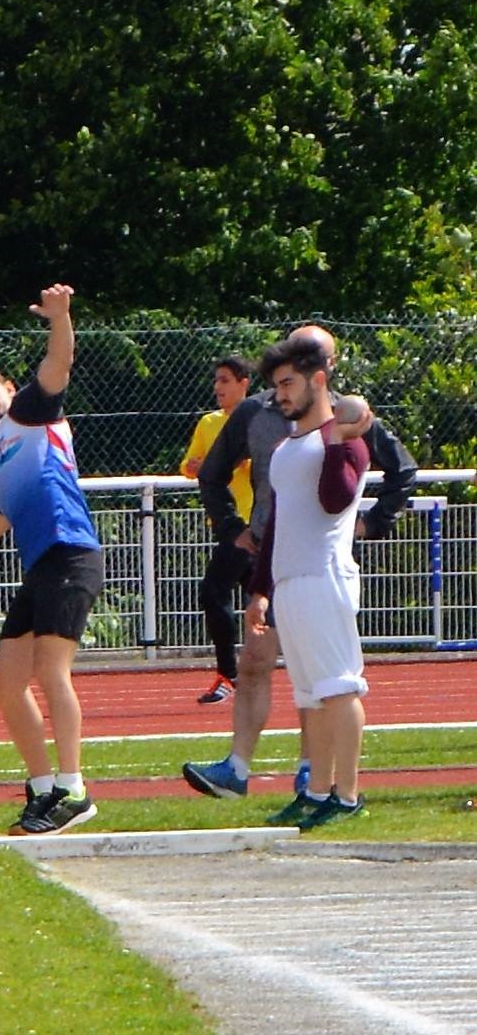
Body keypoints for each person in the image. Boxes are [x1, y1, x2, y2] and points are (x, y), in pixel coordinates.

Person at [182, 324, 417, 800]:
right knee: (270, 668)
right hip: (276, 561)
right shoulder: (263, 419)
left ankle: (324, 781)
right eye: (282, 378)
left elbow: (387, 476)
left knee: (327, 682)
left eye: (311, 363)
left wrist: (371, 522)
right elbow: (222, 479)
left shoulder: (347, 421)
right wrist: (235, 535)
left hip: (320, 567)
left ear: (325, 371)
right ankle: (244, 771)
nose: (283, 389)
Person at [0, 283, 103, 836]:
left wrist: (60, 317)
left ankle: (73, 789)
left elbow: (59, 363)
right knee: (6, 679)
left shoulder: (28, 414)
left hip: (71, 551)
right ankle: (43, 786)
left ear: (9, 389)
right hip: (42, 565)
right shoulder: (2, 458)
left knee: (50, 669)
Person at [246, 335, 371, 828]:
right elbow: (278, 522)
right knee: (311, 696)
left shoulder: (344, 440)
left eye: (288, 383)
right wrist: (260, 590)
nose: (280, 394)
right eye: (277, 385)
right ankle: (316, 792)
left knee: (339, 688)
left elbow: (336, 500)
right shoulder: (285, 447)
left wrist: (338, 439)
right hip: (290, 583)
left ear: (318, 380)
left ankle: (348, 795)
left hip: (324, 577)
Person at [180, 357, 253, 703]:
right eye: (216, 380)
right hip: (223, 523)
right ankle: (254, 673)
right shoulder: (209, 423)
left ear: (244, 383)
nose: (217, 387)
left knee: (213, 592)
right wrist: (194, 466)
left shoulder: (257, 423)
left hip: (248, 522)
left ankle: (230, 675)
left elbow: (260, 464)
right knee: (263, 597)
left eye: (225, 380)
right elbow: (189, 464)